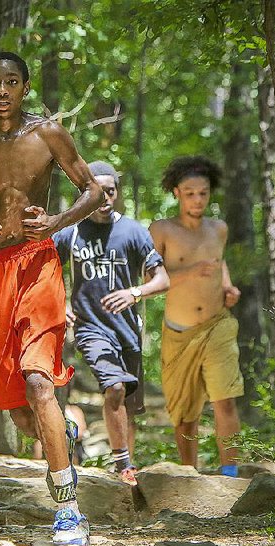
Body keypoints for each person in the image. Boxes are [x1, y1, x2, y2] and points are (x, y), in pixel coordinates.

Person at [0, 51, 103, 545]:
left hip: (37, 262)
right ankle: (63, 439)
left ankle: (68, 509)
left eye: (12, 81)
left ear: (26, 87)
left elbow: (91, 190)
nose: (2, 89)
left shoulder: (48, 133)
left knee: (39, 381)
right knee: (18, 407)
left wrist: (56, 222)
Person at [53, 161, 170, 486]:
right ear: (84, 193)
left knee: (128, 404)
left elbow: (162, 279)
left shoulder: (133, 231)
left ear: (116, 193)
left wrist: (135, 292)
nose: (105, 197)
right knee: (114, 388)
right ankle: (123, 465)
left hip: (128, 331)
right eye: (97, 191)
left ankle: (126, 474)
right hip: (90, 329)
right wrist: (59, 304)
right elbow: (43, 273)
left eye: (110, 191)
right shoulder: (69, 232)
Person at [148, 156, 243, 477]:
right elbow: (150, 280)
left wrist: (229, 287)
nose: (197, 200)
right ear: (176, 192)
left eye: (203, 193)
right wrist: (189, 271)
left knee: (225, 401)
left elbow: (219, 263)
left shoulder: (218, 229)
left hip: (217, 325)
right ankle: (190, 475)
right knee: (185, 414)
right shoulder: (161, 230)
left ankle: (230, 474)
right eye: (190, 193)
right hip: (179, 332)